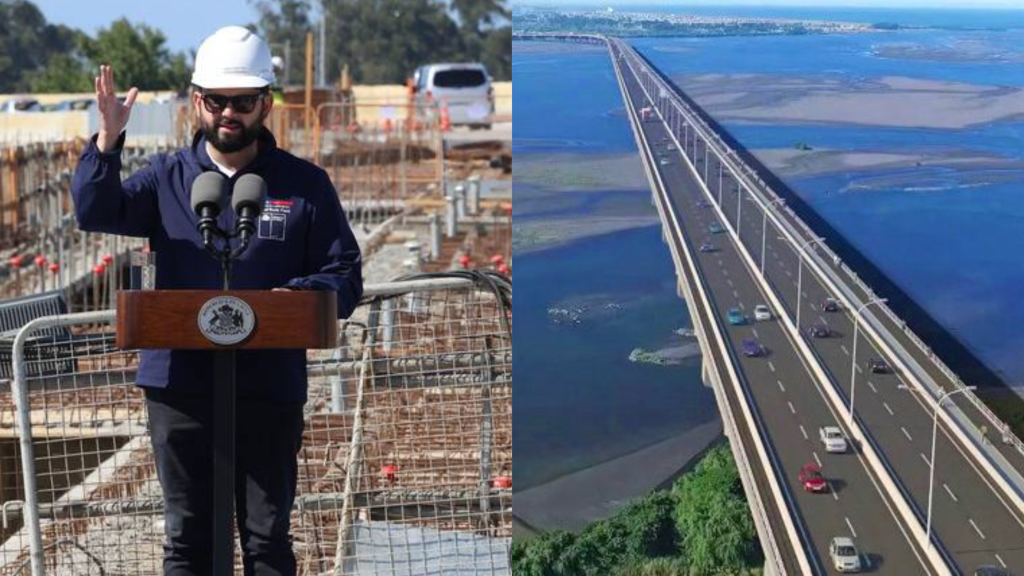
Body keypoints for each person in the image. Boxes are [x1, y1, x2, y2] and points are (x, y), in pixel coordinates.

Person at [71, 26, 363, 576]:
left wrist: (295, 299)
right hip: (179, 387)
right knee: (188, 540)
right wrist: (107, 143)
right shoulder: (165, 179)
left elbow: (344, 273)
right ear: (196, 102)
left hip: (268, 386)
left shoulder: (305, 185)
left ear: (266, 103)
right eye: (217, 101)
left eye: (244, 101)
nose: (230, 113)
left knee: (267, 539)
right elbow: (95, 211)